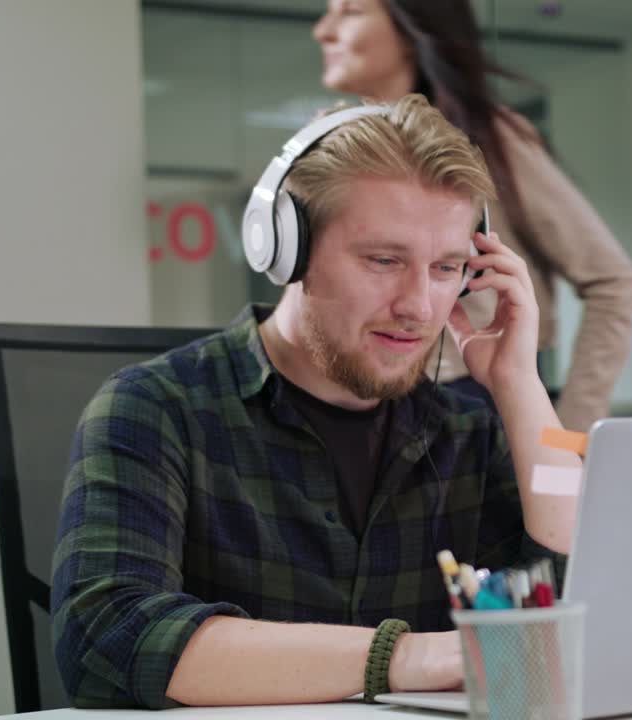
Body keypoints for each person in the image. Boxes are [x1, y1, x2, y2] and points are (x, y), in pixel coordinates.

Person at [49, 95, 581, 709]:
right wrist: (405, 657)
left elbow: (570, 602)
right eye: (384, 260)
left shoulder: (470, 428)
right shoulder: (153, 409)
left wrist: (523, 388)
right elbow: (106, 640)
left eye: (447, 267)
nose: (419, 306)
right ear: (286, 250)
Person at [313, 0, 632, 432]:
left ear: (414, 30)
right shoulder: (326, 146)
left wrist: (570, 436)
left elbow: (613, 283)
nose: (324, 31)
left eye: (351, 11)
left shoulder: (491, 141)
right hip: (348, 406)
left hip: (468, 402)